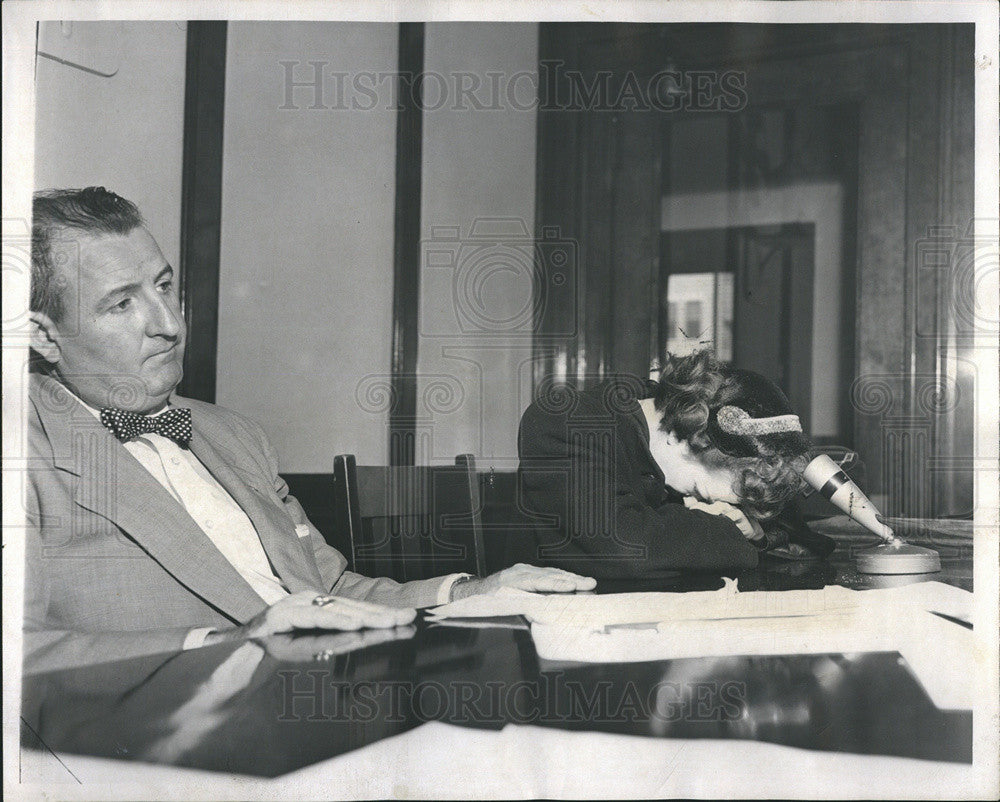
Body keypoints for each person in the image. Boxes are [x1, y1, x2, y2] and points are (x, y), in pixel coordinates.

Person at [24, 186, 595, 673]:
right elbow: (18, 656)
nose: (170, 324)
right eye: (122, 304)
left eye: (165, 286)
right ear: (44, 336)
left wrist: (468, 592)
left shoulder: (232, 434)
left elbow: (329, 592)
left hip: (318, 699)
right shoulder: (20, 453)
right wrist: (228, 642)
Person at [516, 350, 834, 580]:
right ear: (684, 436)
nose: (713, 506)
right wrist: (736, 536)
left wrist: (758, 534)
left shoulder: (670, 424)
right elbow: (628, 547)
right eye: (704, 494)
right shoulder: (563, 422)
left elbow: (795, 532)